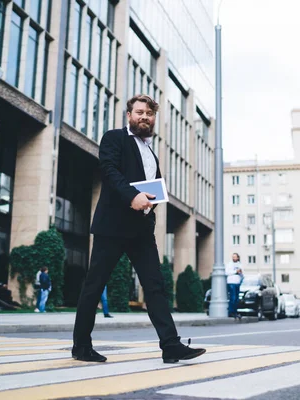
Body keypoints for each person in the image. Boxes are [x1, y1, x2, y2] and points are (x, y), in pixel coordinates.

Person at [72, 94, 206, 364]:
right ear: (129, 115)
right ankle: (81, 347)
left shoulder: (150, 153)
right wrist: (133, 196)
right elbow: (109, 171)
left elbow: (152, 190)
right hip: (112, 226)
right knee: (94, 286)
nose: (145, 117)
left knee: (155, 287)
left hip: (141, 231)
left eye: (149, 114)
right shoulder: (114, 138)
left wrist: (150, 206)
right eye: (140, 112)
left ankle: (170, 346)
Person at [225, 253, 243, 318]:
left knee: (237, 299)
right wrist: (235, 271)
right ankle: (231, 312)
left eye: (235, 257)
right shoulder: (229, 264)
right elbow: (227, 272)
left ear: (238, 258)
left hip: (237, 282)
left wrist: (241, 274)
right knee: (233, 297)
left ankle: (235, 312)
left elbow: (241, 273)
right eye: (233, 257)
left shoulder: (240, 264)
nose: (234, 258)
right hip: (231, 282)